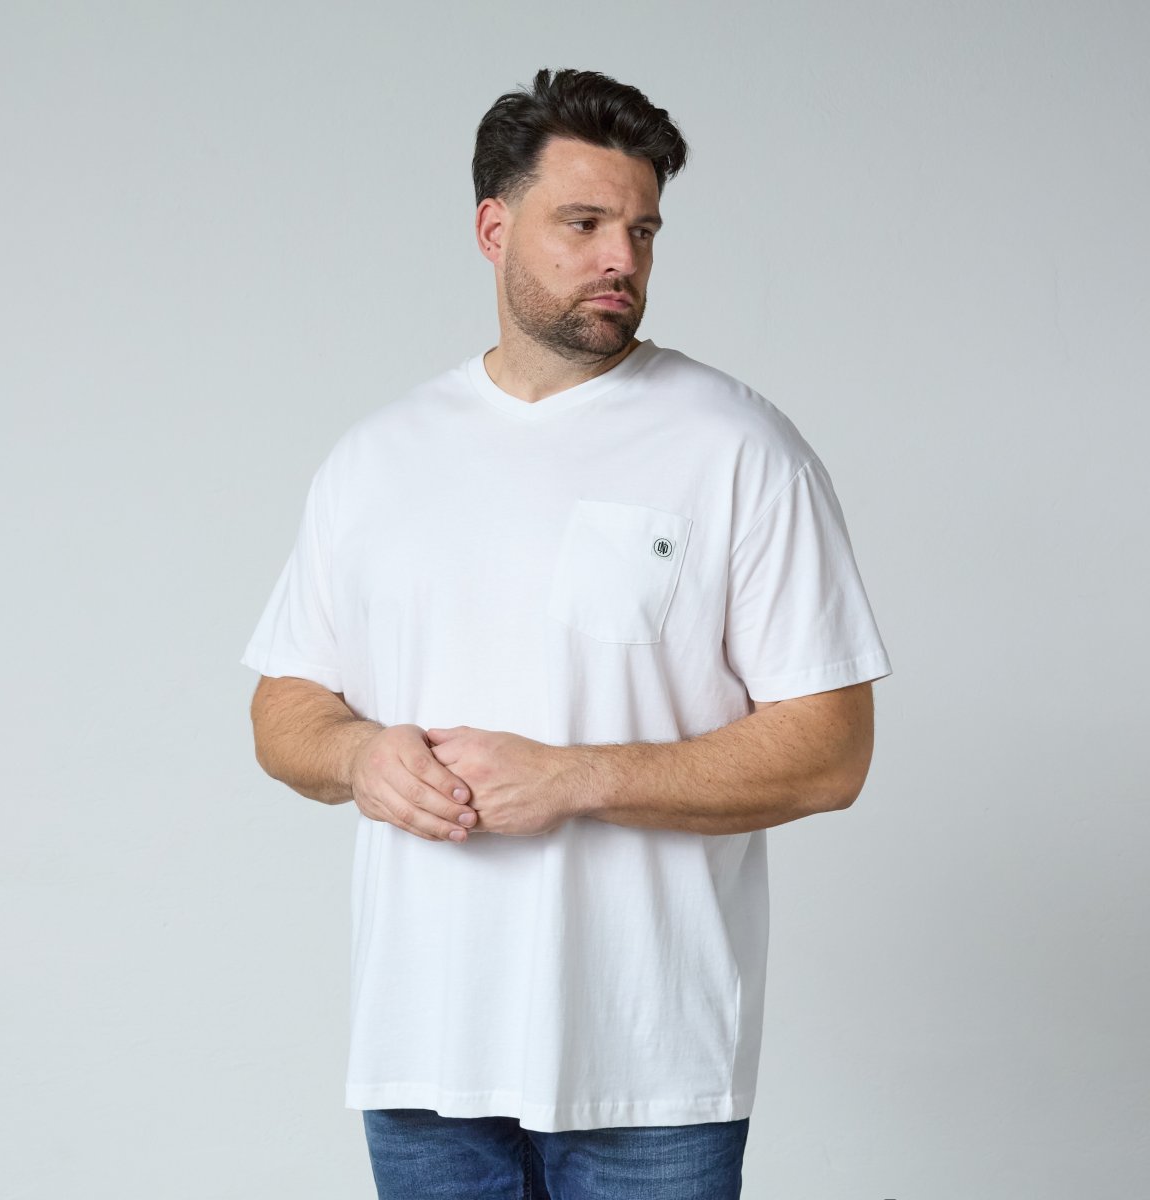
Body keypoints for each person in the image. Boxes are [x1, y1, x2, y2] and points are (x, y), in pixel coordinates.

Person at [242, 67, 892, 1200]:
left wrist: (576, 778)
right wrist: (360, 756)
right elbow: (284, 706)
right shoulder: (378, 458)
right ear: (494, 230)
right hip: (422, 1060)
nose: (621, 259)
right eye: (583, 223)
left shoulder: (739, 449)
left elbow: (832, 752)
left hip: (649, 1077)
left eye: (642, 230)